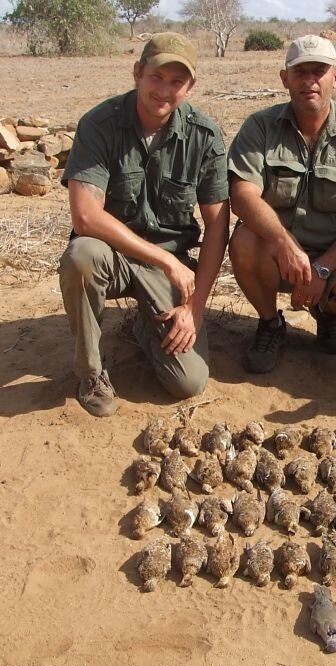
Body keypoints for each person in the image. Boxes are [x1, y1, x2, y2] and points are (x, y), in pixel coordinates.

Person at [58, 33, 229, 417]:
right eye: (156, 76)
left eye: (177, 81)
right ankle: (91, 371)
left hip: (169, 264)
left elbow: (218, 225)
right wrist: (167, 262)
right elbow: (85, 216)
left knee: (188, 383)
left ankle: (144, 326)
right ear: (138, 72)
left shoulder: (204, 134)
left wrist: (196, 307)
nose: (164, 90)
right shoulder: (99, 124)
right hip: (111, 254)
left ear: (190, 86)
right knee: (81, 255)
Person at [227, 35, 336, 373]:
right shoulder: (260, 126)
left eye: (319, 71)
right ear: (284, 78)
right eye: (299, 72)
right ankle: (269, 324)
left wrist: (324, 268)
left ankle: (327, 312)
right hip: (279, 250)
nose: (309, 81)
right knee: (244, 241)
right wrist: (284, 244)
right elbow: (242, 194)